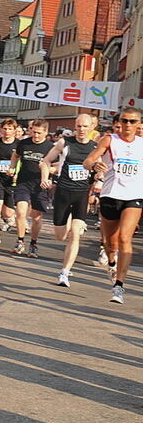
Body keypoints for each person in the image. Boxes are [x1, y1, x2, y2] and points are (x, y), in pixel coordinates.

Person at [83, 107, 143, 304]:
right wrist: (94, 165)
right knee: (111, 243)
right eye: (124, 121)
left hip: (134, 196)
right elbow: (87, 161)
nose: (127, 125)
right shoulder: (109, 140)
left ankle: (119, 286)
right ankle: (111, 262)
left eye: (132, 121)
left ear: (139, 124)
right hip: (111, 195)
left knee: (125, 238)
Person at [39, 113, 96, 288]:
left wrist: (99, 181)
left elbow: (100, 168)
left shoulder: (95, 147)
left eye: (85, 126)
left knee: (75, 233)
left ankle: (64, 272)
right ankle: (68, 222)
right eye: (79, 126)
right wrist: (45, 178)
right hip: (63, 193)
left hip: (81, 194)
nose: (82, 130)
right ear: (75, 127)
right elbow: (46, 161)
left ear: (92, 127)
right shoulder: (64, 143)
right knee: (61, 236)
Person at [9, 119, 53, 257]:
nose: (36, 135)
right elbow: (15, 155)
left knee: (36, 217)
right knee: (21, 212)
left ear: (46, 132)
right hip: (23, 182)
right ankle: (20, 241)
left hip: (40, 185)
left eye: (39, 133)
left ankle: (33, 243)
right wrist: (12, 167)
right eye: (33, 132)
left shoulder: (50, 147)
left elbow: (57, 166)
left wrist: (47, 171)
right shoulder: (24, 143)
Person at [0, 118, 19, 244]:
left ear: (15, 130)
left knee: (8, 213)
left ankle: (9, 218)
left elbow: (22, 161)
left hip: (12, 181)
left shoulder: (19, 145)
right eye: (5, 129)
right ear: (1, 129)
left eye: (10, 129)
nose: (7, 131)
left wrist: (16, 173)